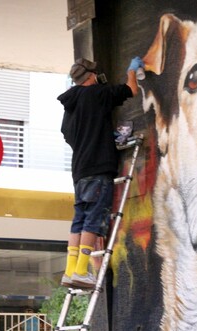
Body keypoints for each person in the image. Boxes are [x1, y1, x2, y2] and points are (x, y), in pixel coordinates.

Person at [58, 56, 143, 289]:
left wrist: (97, 136)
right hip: (99, 168)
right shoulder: (98, 93)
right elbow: (131, 90)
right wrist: (132, 70)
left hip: (80, 170)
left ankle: (70, 270)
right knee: (93, 218)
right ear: (91, 76)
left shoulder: (71, 105)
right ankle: (82, 269)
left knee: (80, 218)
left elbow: (68, 134)